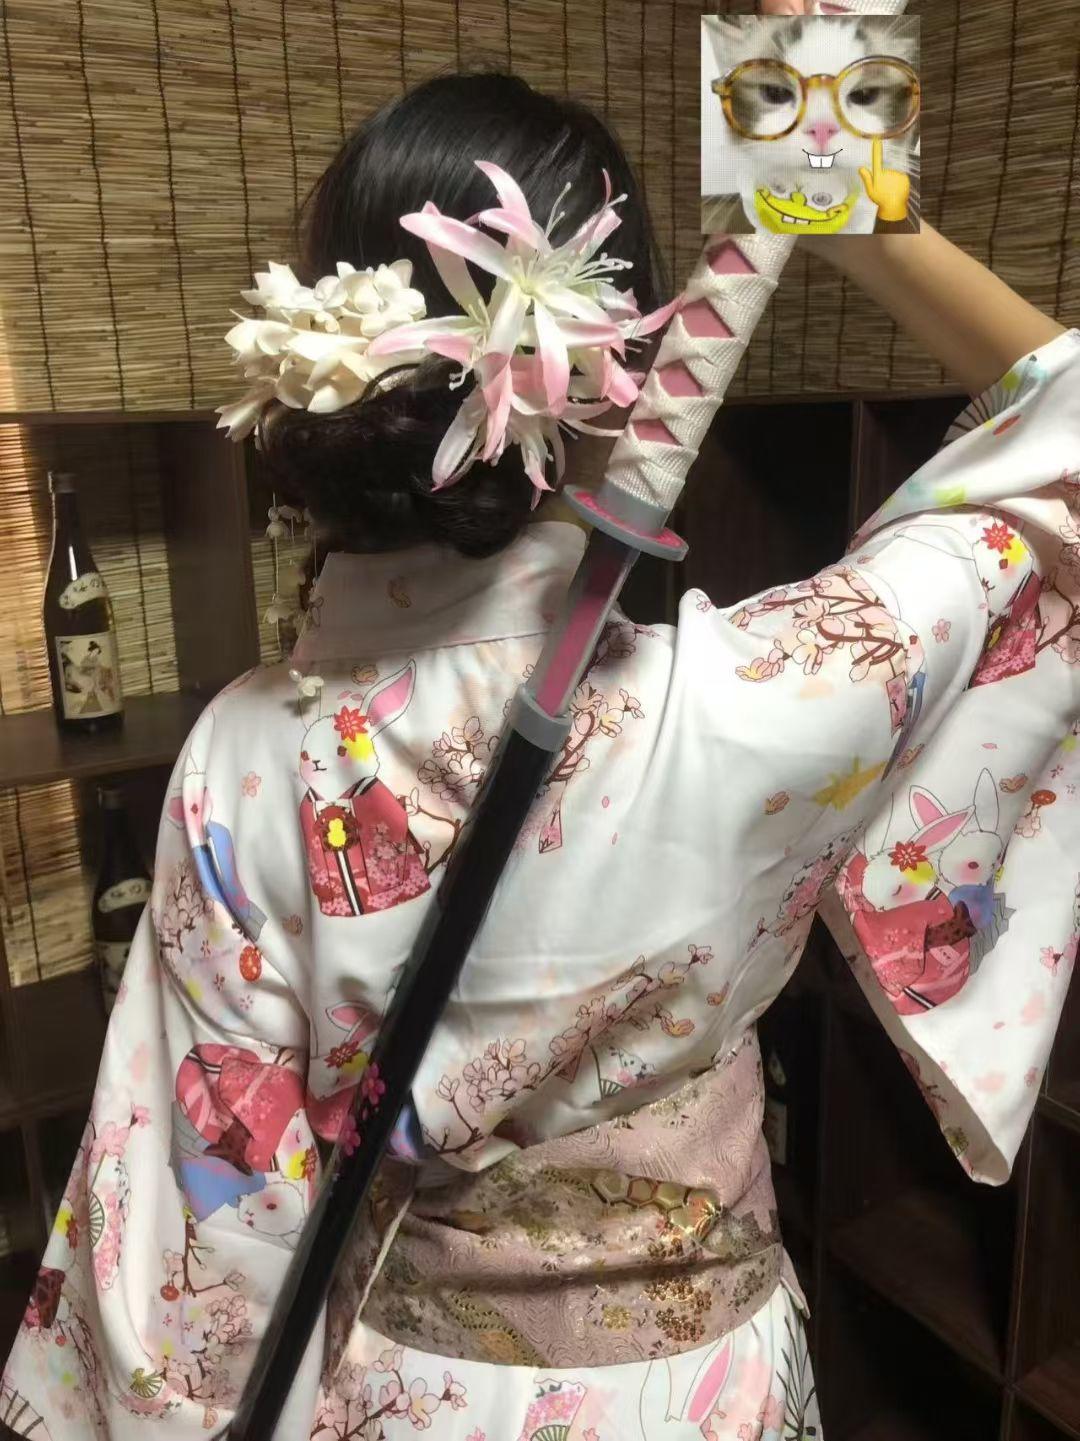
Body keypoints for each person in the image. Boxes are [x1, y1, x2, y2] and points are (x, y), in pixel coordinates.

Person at [3, 67, 1077, 1441]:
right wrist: (842, 193)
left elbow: (198, 1213)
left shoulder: (248, 750)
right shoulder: (766, 696)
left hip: (409, 1392)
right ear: (624, 381)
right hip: (703, 1394)